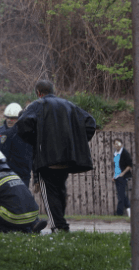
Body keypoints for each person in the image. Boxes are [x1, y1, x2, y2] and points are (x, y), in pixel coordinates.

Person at [16, 80, 96, 233]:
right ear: (53, 91)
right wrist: (77, 142)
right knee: (60, 191)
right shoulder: (69, 105)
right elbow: (91, 123)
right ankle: (62, 225)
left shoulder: (38, 105)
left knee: (49, 193)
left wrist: (35, 140)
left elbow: (22, 124)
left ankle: (58, 227)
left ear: (39, 93)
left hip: (48, 159)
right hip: (67, 159)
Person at [0, 103, 33, 187]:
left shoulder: (27, 134)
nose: (9, 120)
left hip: (21, 175)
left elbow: (31, 154)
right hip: (2, 174)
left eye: (13, 118)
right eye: (7, 117)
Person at [113, 138, 132, 217]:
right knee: (122, 195)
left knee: (121, 195)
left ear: (121, 144)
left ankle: (119, 213)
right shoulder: (115, 154)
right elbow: (116, 166)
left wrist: (122, 174)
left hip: (123, 176)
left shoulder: (124, 153)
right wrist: (114, 175)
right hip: (117, 176)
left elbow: (129, 165)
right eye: (115, 144)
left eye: (118, 143)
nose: (117, 145)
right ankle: (129, 208)